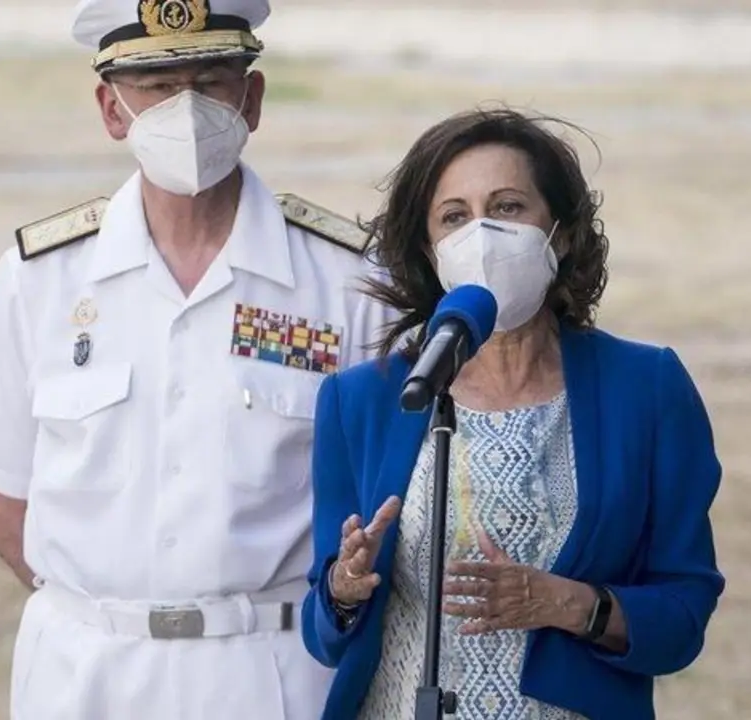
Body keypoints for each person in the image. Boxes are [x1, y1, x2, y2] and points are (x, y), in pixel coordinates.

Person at [0, 1, 393, 717]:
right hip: (85, 672)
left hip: (272, 668)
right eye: (158, 85)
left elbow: (391, 497)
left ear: (252, 99)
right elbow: (0, 504)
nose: (187, 109)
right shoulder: (42, 277)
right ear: (112, 110)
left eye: (211, 80)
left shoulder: (347, 280)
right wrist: (102, 612)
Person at [300, 108, 725, 720]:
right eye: (455, 217)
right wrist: (344, 588)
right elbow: (323, 633)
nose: (483, 235)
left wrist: (568, 604)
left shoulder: (646, 388)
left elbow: (683, 617)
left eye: (507, 207)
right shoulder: (366, 399)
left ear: (562, 232)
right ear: (430, 250)